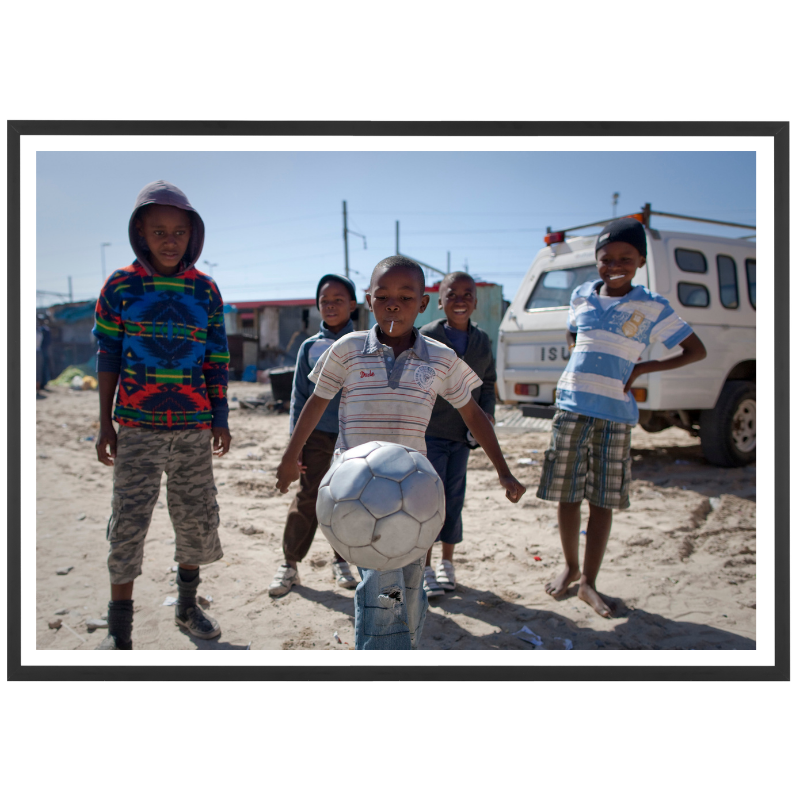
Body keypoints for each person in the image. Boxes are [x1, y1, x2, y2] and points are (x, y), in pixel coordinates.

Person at [275, 256, 525, 650]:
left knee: (409, 585)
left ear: (423, 304)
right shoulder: (348, 349)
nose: (394, 304)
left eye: (406, 297)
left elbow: (473, 414)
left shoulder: (440, 358)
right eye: (384, 296)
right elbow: (316, 401)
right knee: (381, 589)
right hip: (357, 492)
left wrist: (503, 470)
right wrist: (291, 456)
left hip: (414, 492)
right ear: (369, 300)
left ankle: (401, 644)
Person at [537, 217, 707, 618]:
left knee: (602, 500)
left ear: (640, 261)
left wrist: (642, 369)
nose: (615, 265)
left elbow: (695, 350)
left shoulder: (652, 306)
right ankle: (570, 567)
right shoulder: (581, 294)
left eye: (625, 258)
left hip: (615, 415)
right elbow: (572, 335)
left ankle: (589, 583)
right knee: (567, 493)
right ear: (596, 261)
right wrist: (579, 363)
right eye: (606, 258)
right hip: (571, 407)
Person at [92, 180, 232, 650]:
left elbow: (216, 358)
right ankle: (119, 630)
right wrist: (103, 422)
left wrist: (221, 416)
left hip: (193, 426)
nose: (170, 240)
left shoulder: (206, 291)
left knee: (193, 519)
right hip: (136, 426)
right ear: (140, 233)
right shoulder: (120, 286)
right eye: (159, 231)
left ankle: (188, 608)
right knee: (128, 522)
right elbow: (108, 353)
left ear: (193, 235)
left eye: (179, 231)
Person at [268, 273, 361, 597]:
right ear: (317, 306)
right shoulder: (310, 347)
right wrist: (296, 445)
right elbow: (299, 398)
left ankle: (342, 560)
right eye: (325, 301)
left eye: (338, 300)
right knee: (309, 497)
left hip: (356, 440)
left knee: (349, 502)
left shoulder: (366, 342)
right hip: (318, 438)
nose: (331, 306)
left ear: (352, 304)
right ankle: (290, 564)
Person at [418, 272, 496, 597]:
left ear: (476, 302)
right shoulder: (427, 337)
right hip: (429, 434)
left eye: (468, 294)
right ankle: (424, 567)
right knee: (427, 502)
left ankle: (447, 563)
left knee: (454, 500)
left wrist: (487, 416)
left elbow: (488, 383)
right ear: (440, 300)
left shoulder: (482, 342)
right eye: (453, 294)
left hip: (462, 438)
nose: (460, 300)